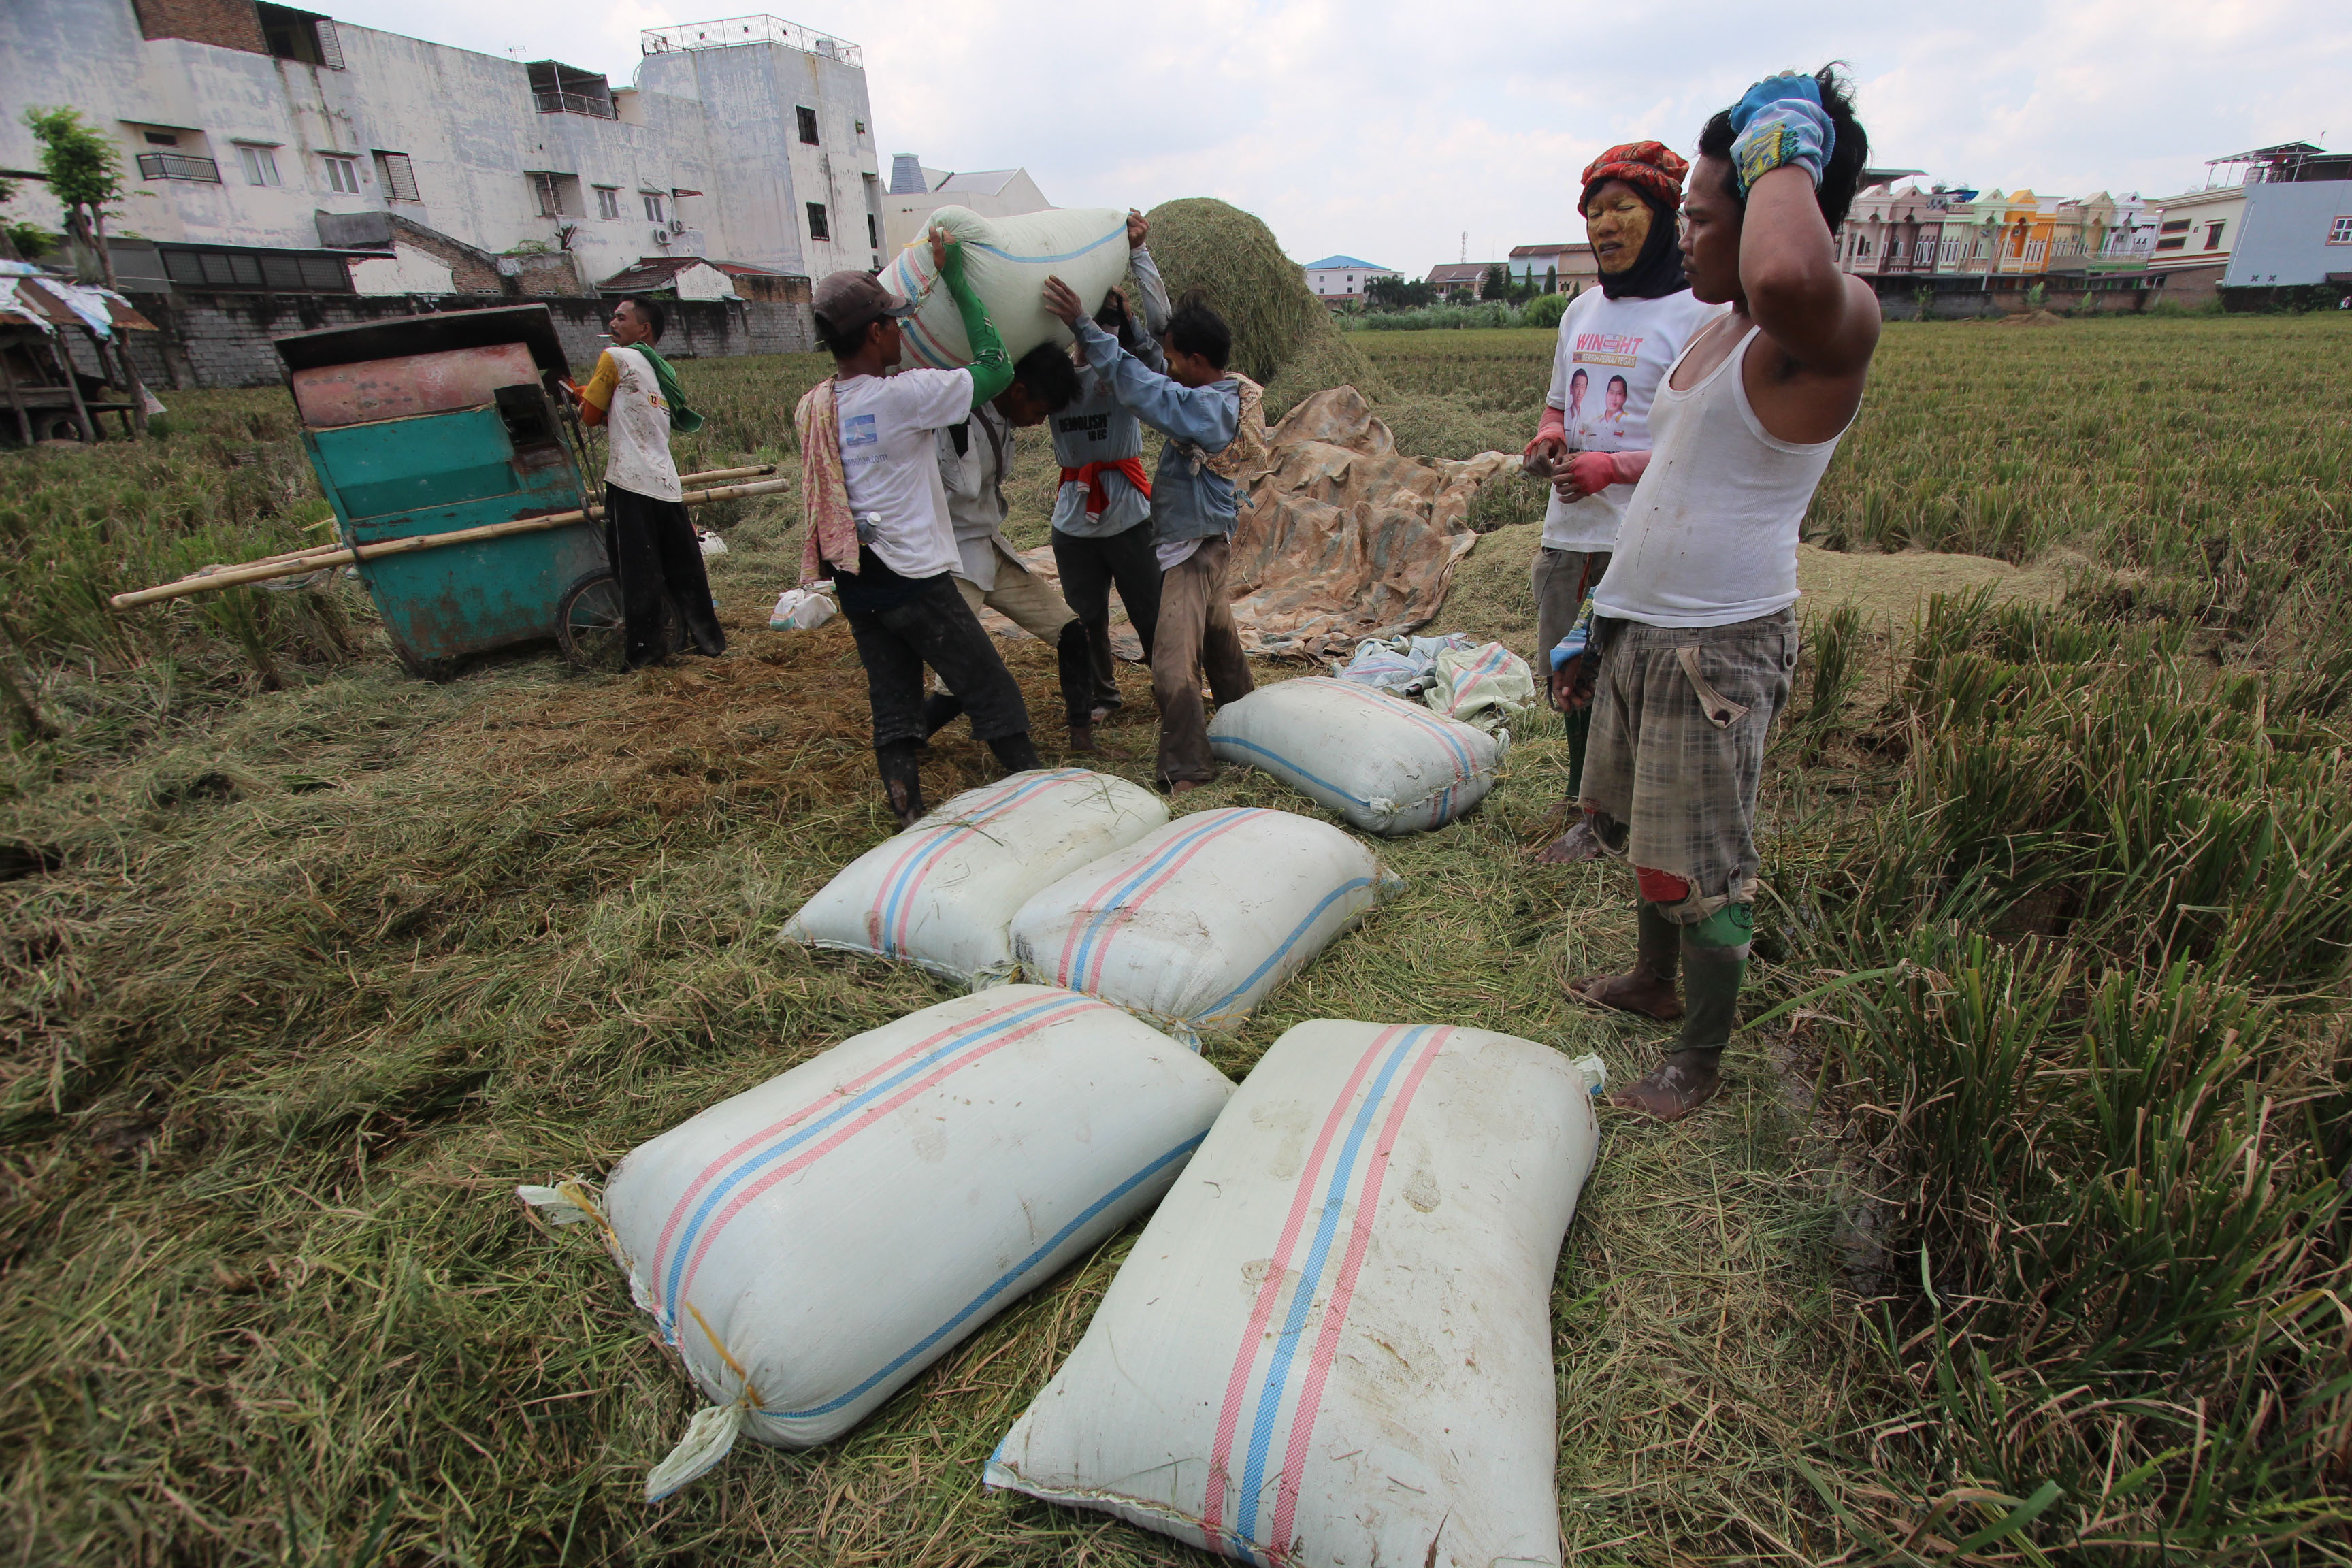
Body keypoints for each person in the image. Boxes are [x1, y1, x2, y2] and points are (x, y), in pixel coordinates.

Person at [1561, 67, 1879, 1122]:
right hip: (1646, 629)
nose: (1683, 235)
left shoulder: (1818, 325)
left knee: (1706, 868)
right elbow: (1671, 488)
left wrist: (1790, 136)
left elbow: (1791, 272)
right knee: (1647, 834)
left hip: (1717, 646)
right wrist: (1594, 624)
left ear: (1767, 217)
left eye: (1703, 218)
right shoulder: (1716, 329)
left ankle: (1699, 1062)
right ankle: (1653, 985)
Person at [795, 228, 1041, 827]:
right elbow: (996, 369)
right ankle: (1042, 803)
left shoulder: (814, 406)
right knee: (991, 690)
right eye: (895, 323)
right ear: (875, 333)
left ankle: (906, 812)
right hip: (915, 579)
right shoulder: (903, 397)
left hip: (858, 576)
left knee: (895, 701)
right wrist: (955, 278)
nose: (903, 330)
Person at [1523, 142, 1721, 863]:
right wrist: (1549, 442)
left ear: (1665, 214)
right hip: (1570, 531)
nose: (1604, 226)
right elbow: (1555, 407)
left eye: (1622, 210)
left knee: (1631, 683)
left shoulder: (1699, 315)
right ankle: (1586, 805)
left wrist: (1614, 467)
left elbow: (1702, 440)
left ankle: (1614, 821)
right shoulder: (1580, 313)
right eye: (1594, 213)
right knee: (1569, 674)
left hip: (1646, 534)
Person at [1041, 275, 1262, 794]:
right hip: (1206, 542)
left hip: (1192, 551)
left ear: (1197, 361)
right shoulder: (1222, 389)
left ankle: (1187, 766)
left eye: (1175, 359)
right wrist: (1134, 322)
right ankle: (1250, 730)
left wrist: (1081, 323)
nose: (1168, 366)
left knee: (1172, 666)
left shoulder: (1203, 409)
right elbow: (1159, 369)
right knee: (1222, 647)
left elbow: (1145, 386)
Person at [927, 343, 1092, 747]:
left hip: (989, 547)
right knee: (958, 681)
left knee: (1071, 633)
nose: (1039, 423)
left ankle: (1082, 738)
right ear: (1017, 391)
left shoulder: (1002, 419)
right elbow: (962, 487)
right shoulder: (958, 419)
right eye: (1039, 413)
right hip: (955, 557)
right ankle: (906, 739)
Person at [1049, 211, 1171, 727]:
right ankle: (1102, 696)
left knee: (1152, 614)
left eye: (1112, 326)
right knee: (1085, 618)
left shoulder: (1127, 378)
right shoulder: (1053, 377)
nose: (1106, 335)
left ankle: (1172, 689)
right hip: (1073, 520)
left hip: (1127, 515)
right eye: (1099, 326)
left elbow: (1159, 339)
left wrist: (1140, 254)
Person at [566, 296, 725, 667]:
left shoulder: (616, 358)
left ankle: (646, 653)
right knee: (685, 568)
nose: (613, 322)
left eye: (621, 317)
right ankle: (708, 640)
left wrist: (580, 398)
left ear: (644, 329)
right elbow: (626, 413)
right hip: (666, 483)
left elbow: (590, 417)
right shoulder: (661, 373)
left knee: (638, 571)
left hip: (630, 480)